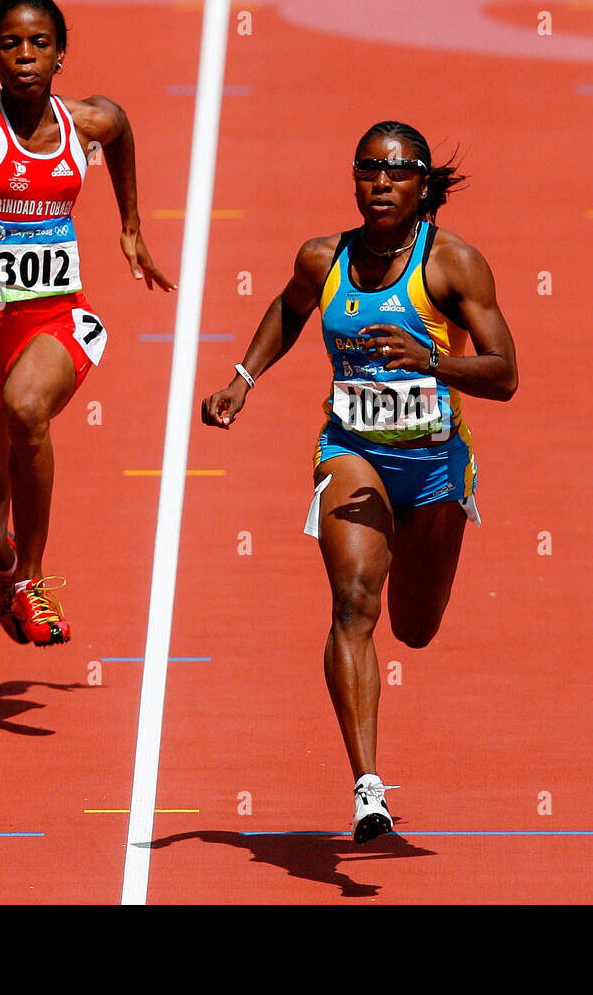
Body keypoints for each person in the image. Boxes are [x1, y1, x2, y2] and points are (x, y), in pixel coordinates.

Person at [201, 121, 518, 840]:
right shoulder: (324, 258)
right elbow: (288, 308)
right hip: (352, 451)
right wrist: (241, 380)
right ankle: (368, 788)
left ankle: (412, 565)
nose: (382, 182)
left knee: (415, 628)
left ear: (424, 184)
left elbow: (506, 375)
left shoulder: (455, 265)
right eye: (369, 169)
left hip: (436, 467)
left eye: (399, 171)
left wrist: (429, 359)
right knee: (352, 603)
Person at [0, 0, 174, 645]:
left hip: (54, 320)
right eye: (10, 44)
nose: (25, 56)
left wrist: (131, 228)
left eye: (39, 43)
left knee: (27, 408)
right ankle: (1, 563)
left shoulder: (86, 121)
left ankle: (31, 580)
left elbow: (121, 131)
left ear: (62, 53)